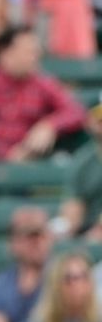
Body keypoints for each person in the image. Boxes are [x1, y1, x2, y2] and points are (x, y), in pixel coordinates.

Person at [0, 26, 85, 161]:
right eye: (28, 51)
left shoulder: (41, 82)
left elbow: (76, 111)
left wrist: (50, 125)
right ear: (6, 54)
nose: (35, 56)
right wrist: (5, 153)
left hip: (28, 156)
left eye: (35, 51)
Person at [56, 102, 102, 241]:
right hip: (90, 232)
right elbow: (73, 209)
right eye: (99, 119)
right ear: (88, 122)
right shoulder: (82, 161)